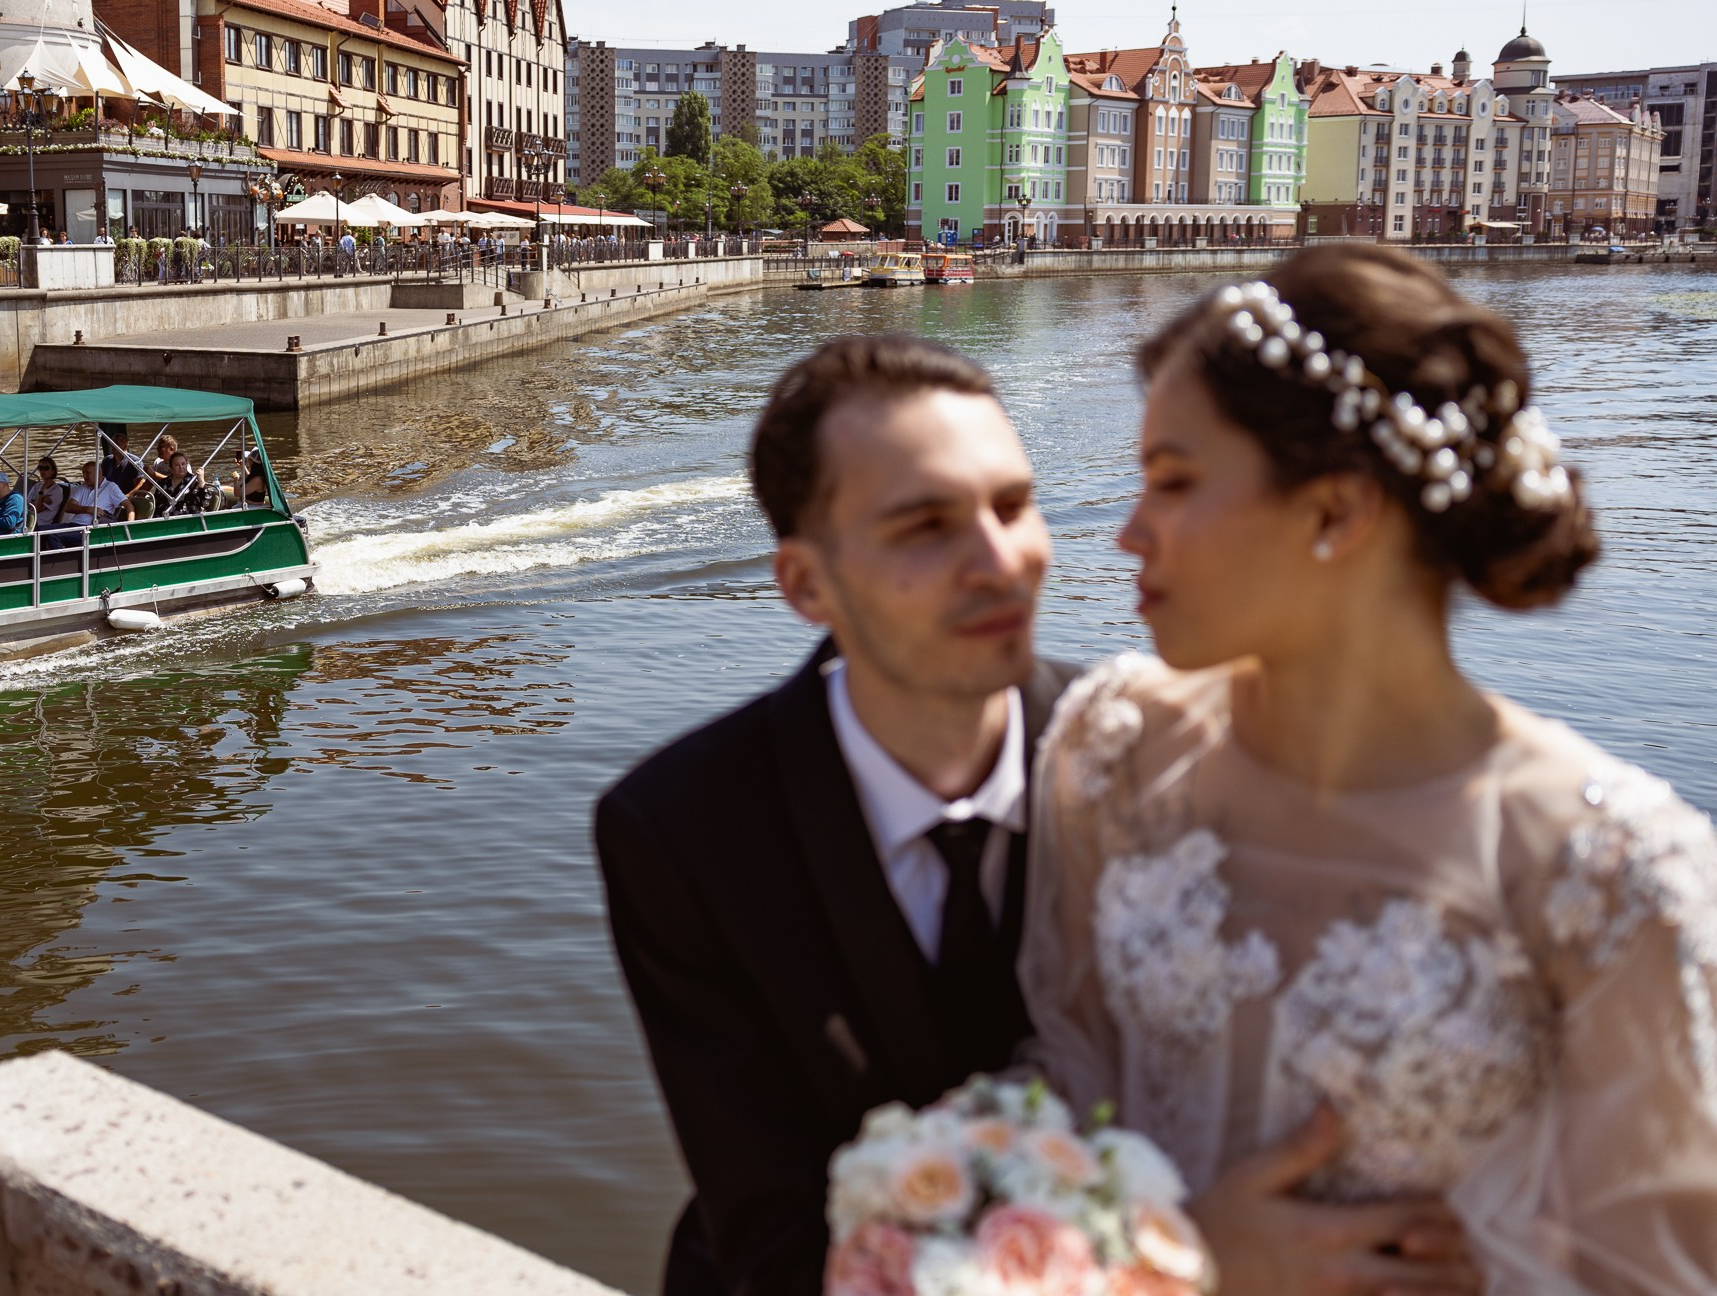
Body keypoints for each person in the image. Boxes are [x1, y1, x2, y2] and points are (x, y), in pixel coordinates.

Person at [597, 333, 1478, 1296]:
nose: (1000, 561)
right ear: (807, 584)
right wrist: (1189, 1255)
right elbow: (775, 1245)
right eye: (925, 526)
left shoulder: (1165, 758)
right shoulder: (682, 829)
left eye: (1014, 506)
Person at [1022, 245, 1717, 1295]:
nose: (1126, 531)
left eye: (1172, 480)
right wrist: (1171, 1249)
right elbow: (1055, 1091)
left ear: (1336, 512)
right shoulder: (1113, 748)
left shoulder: (1610, 870)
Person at [100, 429, 152, 520]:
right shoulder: (107, 460)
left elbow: (140, 482)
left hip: (122, 496)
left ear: (125, 445)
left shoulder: (134, 461)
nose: (112, 445)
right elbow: (102, 479)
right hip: (108, 495)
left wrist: (128, 495)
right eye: (111, 442)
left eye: (116, 443)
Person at [25, 457, 70, 528]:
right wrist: (43, 498)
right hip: (28, 518)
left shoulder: (57, 490)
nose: (42, 471)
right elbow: (28, 505)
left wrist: (41, 491)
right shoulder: (37, 485)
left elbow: (37, 509)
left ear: (53, 471)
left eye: (46, 468)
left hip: (40, 523)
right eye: (40, 468)